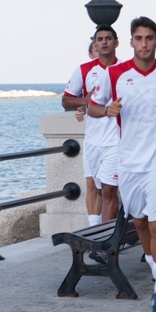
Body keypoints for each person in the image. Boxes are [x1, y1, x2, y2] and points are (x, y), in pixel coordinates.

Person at [89, 16, 156, 312]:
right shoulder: (114, 73)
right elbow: (92, 106)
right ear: (131, 42)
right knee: (140, 222)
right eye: (139, 38)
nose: (144, 44)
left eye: (150, 38)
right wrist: (106, 110)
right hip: (128, 163)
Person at [62, 25, 120, 227]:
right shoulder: (83, 70)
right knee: (91, 185)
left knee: (110, 189)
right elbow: (66, 101)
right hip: (93, 140)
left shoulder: (125, 69)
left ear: (116, 43)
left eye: (108, 38)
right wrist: (86, 102)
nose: (104, 42)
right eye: (100, 39)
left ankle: (106, 239)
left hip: (116, 140)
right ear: (95, 44)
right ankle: (96, 234)